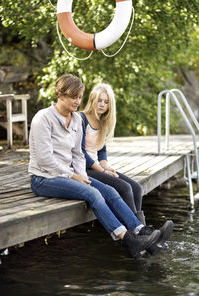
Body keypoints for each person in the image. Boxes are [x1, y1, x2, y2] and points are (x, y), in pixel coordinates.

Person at [28, 74, 172, 259]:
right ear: (60, 95)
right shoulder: (44, 118)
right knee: (93, 194)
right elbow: (44, 159)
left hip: (68, 175)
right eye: (74, 97)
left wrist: (83, 176)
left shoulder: (76, 120)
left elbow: (78, 155)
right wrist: (74, 177)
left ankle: (141, 231)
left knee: (110, 191)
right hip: (44, 178)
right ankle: (128, 240)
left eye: (79, 97)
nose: (77, 101)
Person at [80, 83, 146, 223]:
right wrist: (102, 171)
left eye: (106, 102)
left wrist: (107, 167)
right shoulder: (82, 119)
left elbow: (101, 150)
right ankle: (137, 231)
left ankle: (142, 231)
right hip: (82, 168)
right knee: (125, 188)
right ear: (92, 99)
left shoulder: (102, 122)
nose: (102, 104)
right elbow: (80, 152)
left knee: (137, 188)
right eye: (99, 100)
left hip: (97, 167)